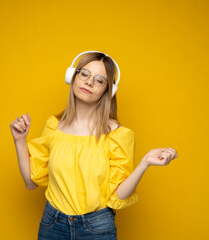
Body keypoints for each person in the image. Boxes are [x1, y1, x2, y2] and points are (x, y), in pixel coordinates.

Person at [10, 51, 178, 240]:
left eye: (99, 80)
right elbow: (30, 182)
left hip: (97, 228)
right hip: (52, 224)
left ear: (108, 91)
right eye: (84, 74)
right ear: (72, 76)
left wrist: (144, 163)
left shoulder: (117, 134)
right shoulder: (53, 126)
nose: (89, 82)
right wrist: (19, 139)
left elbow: (118, 196)